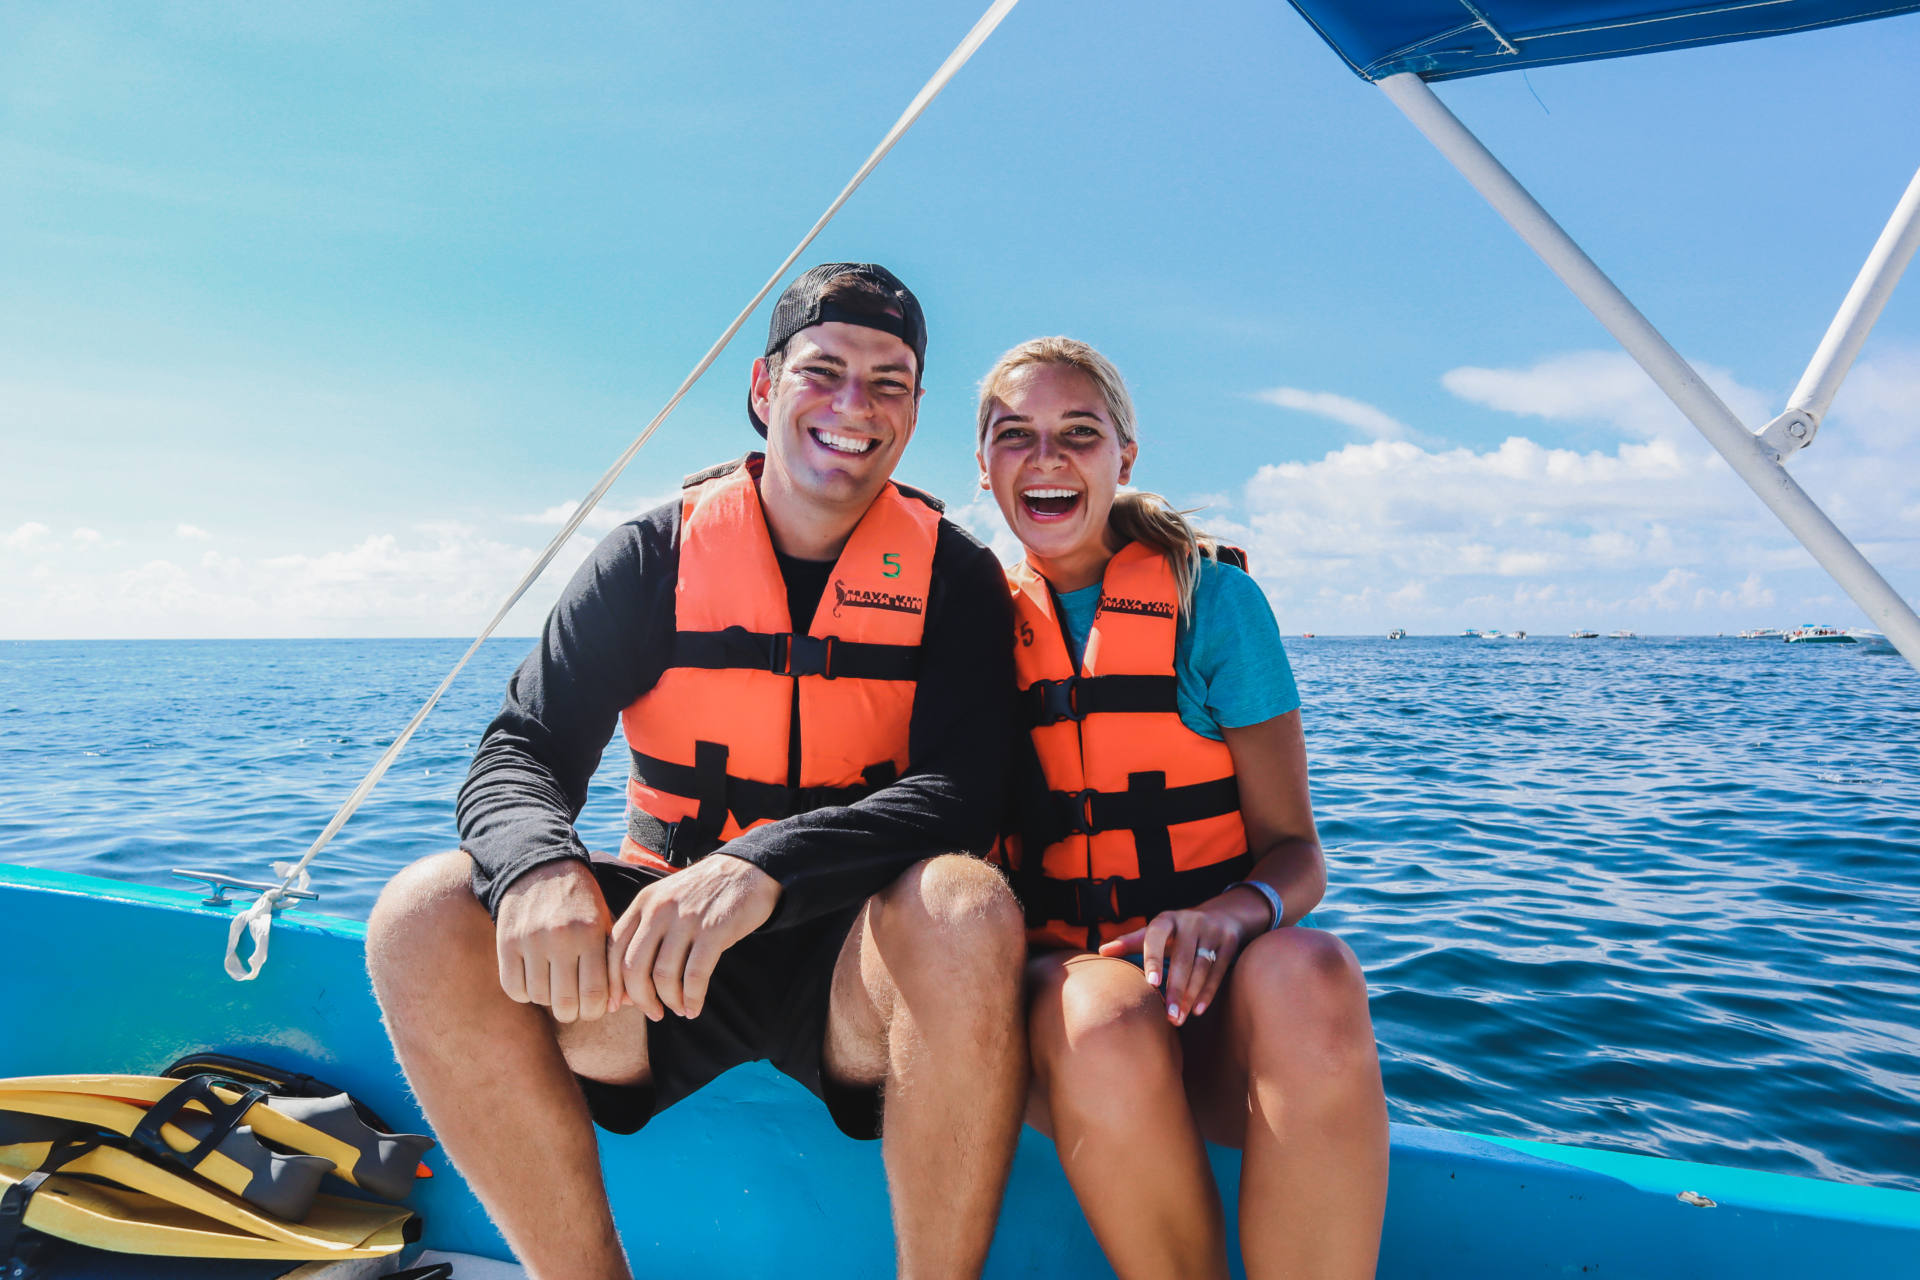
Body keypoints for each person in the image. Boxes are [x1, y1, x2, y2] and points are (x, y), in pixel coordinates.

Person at [367, 264, 1028, 1280]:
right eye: (825, 370)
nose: (855, 406)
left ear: (915, 410)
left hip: (847, 966)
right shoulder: (649, 558)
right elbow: (520, 750)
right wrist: (541, 865)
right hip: (650, 970)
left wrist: (766, 866)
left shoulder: (955, 575)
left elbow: (972, 784)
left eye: (889, 382)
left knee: (966, 900)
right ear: (765, 388)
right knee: (422, 910)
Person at [975, 336, 1388, 1279]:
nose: (1047, 457)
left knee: (1313, 969)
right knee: (1103, 1017)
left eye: (1078, 433)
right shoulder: (971, 621)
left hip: (1213, 1000)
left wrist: (1222, 917)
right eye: (1015, 436)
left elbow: (1298, 856)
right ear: (986, 469)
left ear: (1125, 455)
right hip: (1069, 1004)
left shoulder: (1216, 604)